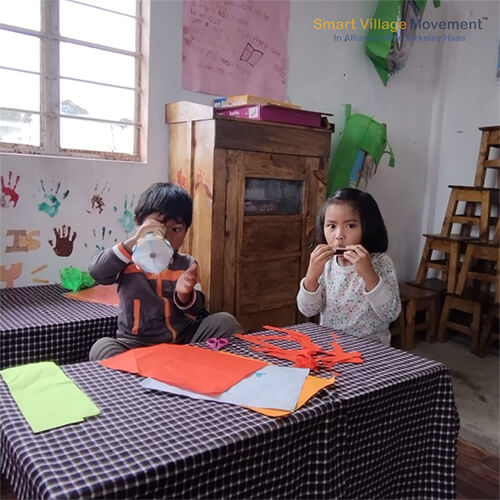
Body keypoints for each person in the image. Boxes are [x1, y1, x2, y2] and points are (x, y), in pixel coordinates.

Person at [88, 182, 241, 361]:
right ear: (138, 223)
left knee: (225, 321)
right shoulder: (126, 261)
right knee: (101, 348)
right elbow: (97, 272)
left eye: (176, 229)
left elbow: (199, 309)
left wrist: (185, 296)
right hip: (136, 345)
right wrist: (134, 242)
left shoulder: (187, 264)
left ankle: (186, 365)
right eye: (157, 228)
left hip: (183, 341)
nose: (167, 236)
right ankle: (143, 372)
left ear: (186, 231)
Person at [296, 187, 401, 346]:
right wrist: (311, 277)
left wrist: (369, 275)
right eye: (331, 226)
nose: (339, 235)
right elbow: (308, 310)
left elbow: (391, 314)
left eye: (350, 226)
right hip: (332, 347)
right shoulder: (327, 264)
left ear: (368, 227)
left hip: (371, 350)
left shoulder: (381, 262)